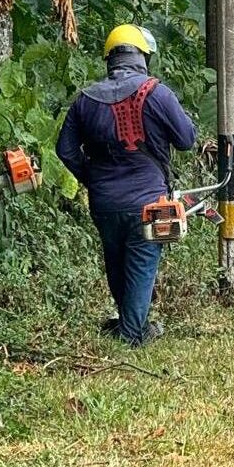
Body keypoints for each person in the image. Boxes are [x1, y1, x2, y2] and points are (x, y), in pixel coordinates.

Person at [56, 24, 197, 346]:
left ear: (110, 59)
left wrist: (92, 178)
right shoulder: (157, 92)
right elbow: (187, 140)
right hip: (148, 200)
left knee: (116, 261)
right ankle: (132, 335)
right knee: (142, 263)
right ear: (142, 57)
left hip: (103, 202)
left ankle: (129, 323)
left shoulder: (85, 100)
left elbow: (64, 150)